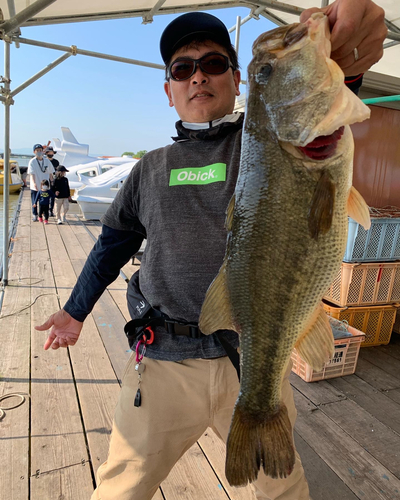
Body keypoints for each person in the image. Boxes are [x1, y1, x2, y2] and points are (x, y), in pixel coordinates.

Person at [35, 2, 387, 499]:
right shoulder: (148, 169)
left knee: (282, 491)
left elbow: (318, 109)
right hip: (163, 364)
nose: (198, 76)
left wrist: (347, 57)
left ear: (238, 81)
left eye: (214, 63)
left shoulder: (264, 140)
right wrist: (74, 313)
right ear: (169, 91)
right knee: (119, 489)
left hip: (250, 357)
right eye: (183, 68)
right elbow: (112, 245)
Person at [27, 144, 54, 221]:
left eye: (40, 150)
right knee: (34, 201)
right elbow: (32, 174)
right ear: (34, 152)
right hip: (35, 186)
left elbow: (50, 172)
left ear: (43, 151)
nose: (39, 152)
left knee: (45, 201)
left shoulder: (47, 161)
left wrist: (52, 181)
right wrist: (34, 183)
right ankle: (34, 214)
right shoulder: (32, 161)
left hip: (45, 186)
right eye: (37, 150)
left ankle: (45, 214)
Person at [45, 146, 59, 217]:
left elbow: (57, 172)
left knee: (52, 196)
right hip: (44, 180)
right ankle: (45, 210)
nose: (51, 153)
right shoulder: (44, 161)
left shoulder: (56, 162)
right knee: (45, 196)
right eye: (49, 152)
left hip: (53, 180)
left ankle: (51, 210)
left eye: (52, 152)